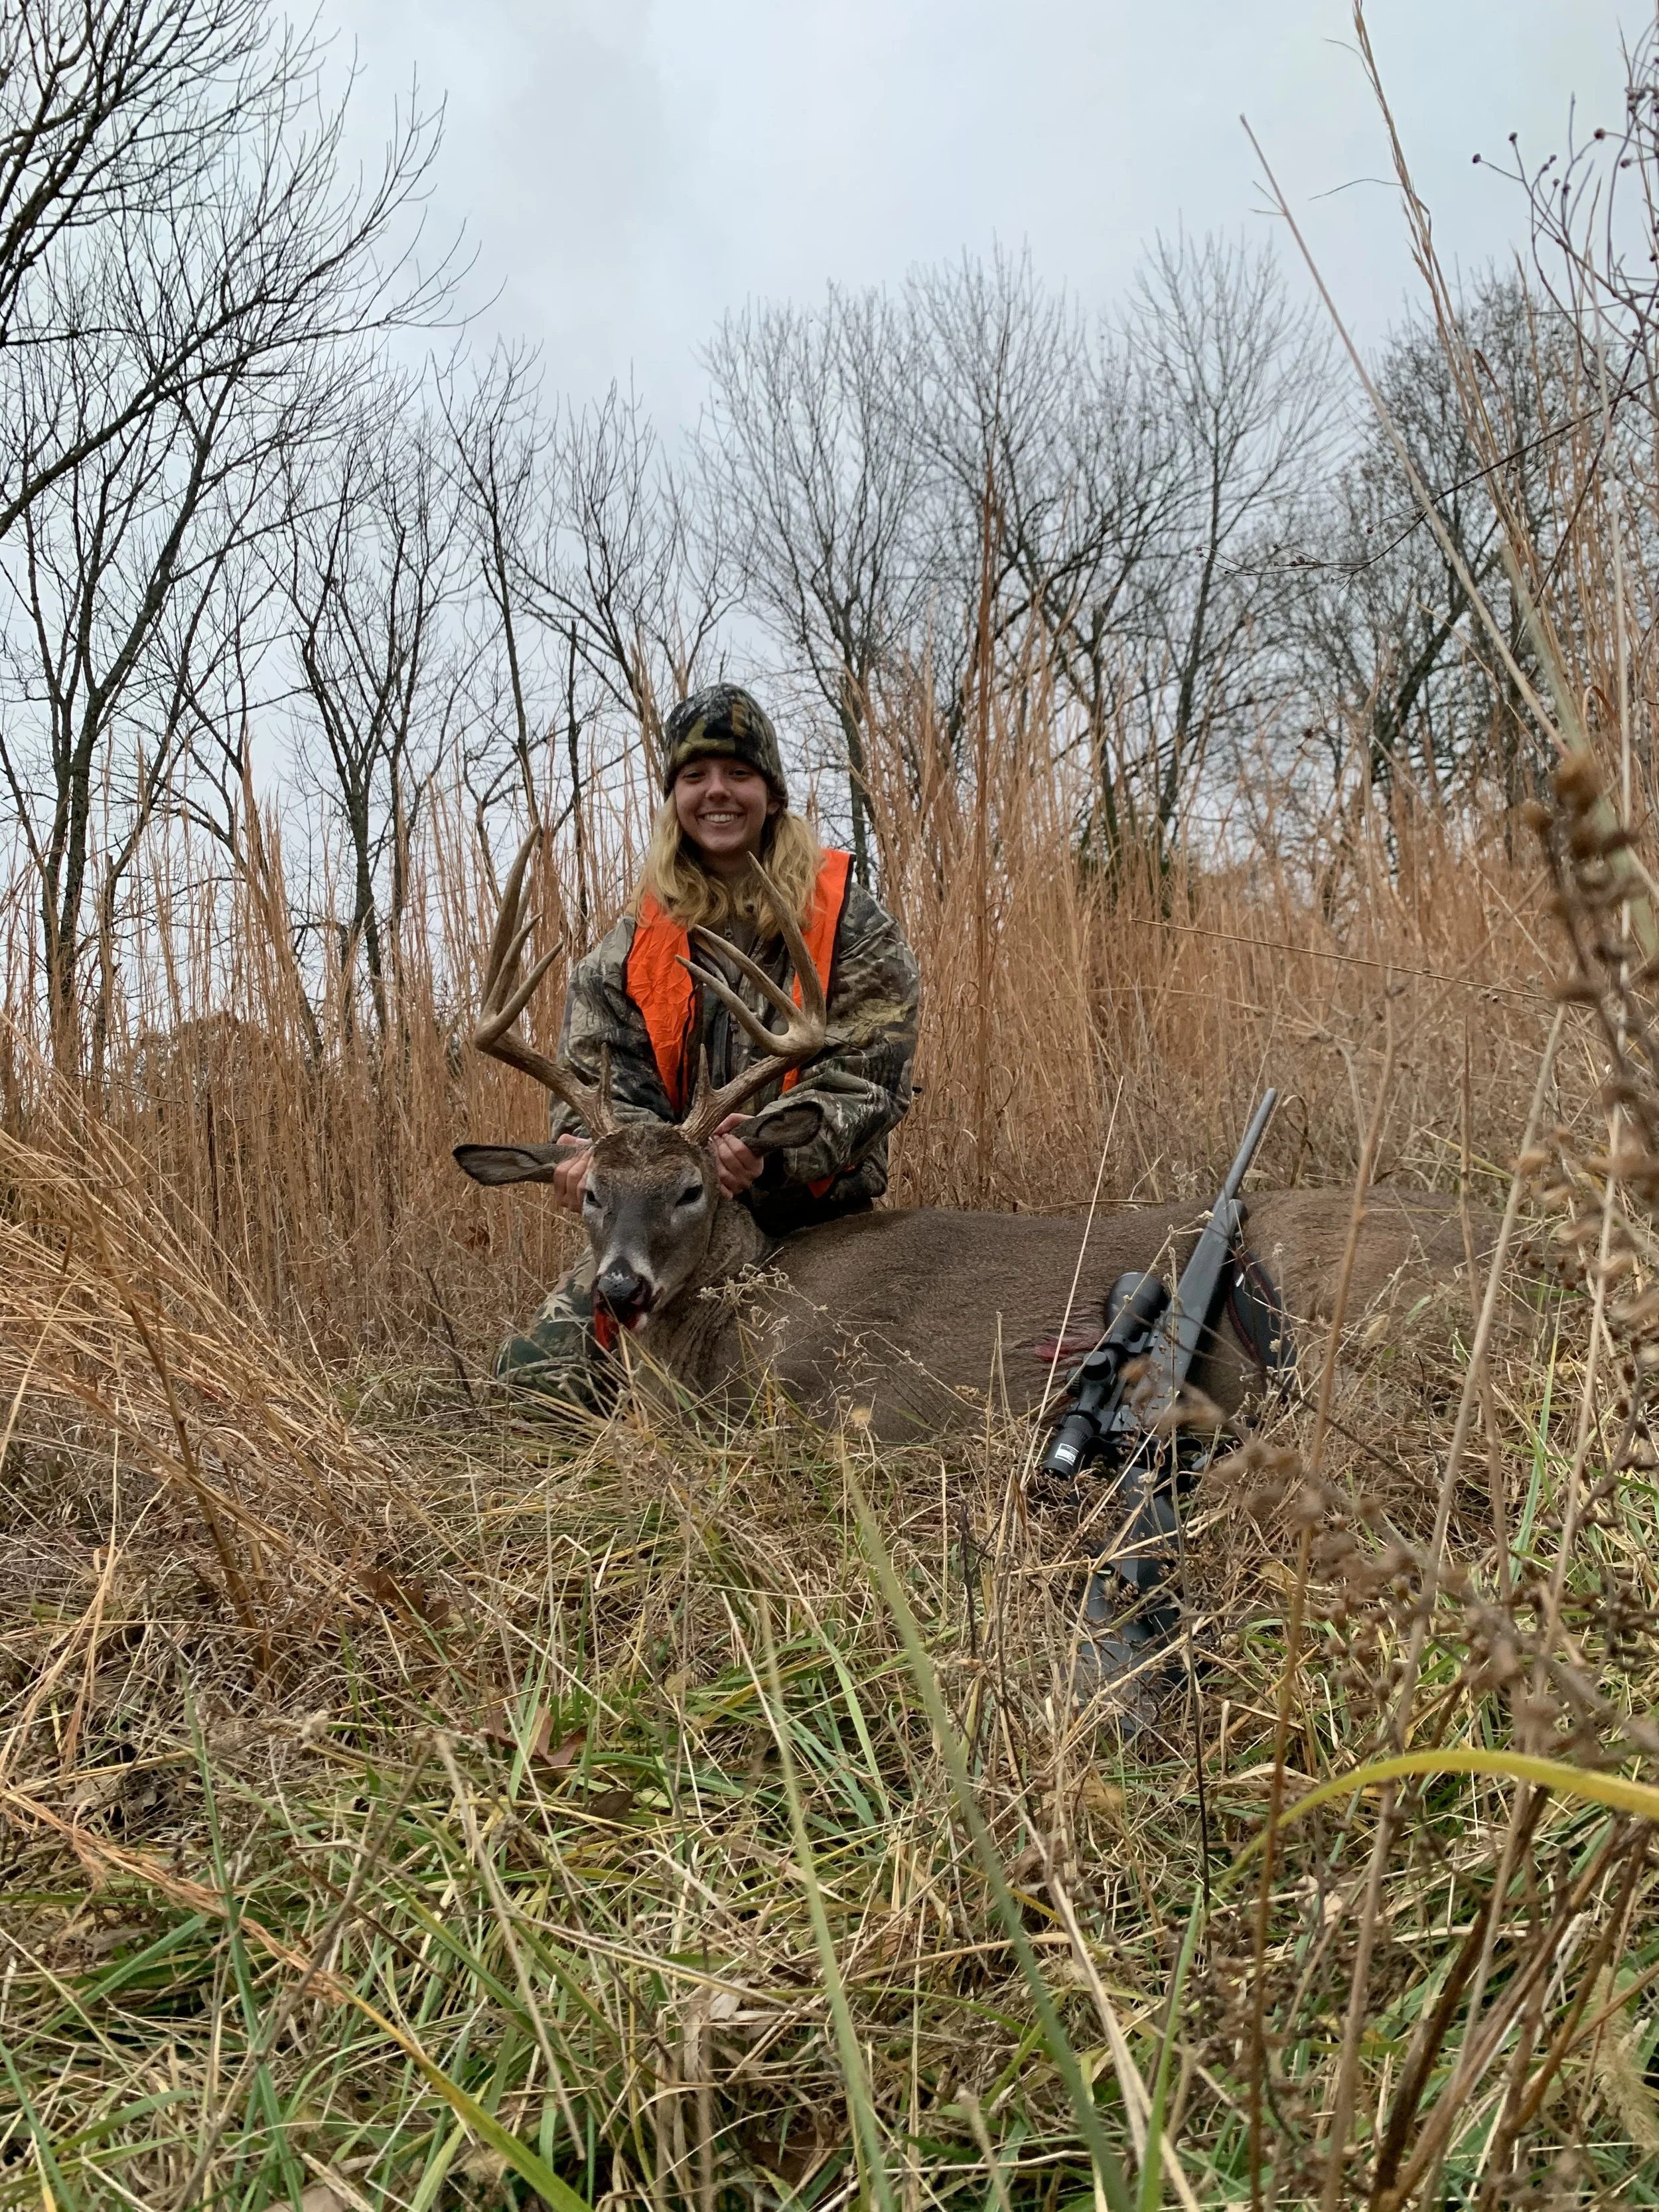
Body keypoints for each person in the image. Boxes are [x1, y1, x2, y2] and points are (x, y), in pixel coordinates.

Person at [495, 683, 920, 1403]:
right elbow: (596, 1090)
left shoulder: (849, 922)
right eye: (694, 776)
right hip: (662, 1229)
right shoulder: (628, 950)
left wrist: (765, 1148)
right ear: (674, 797)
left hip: (815, 1224)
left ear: (771, 794)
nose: (716, 792)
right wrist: (600, 1160)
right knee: (538, 1381)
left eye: (738, 773)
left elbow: (871, 1079)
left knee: (801, 1400)